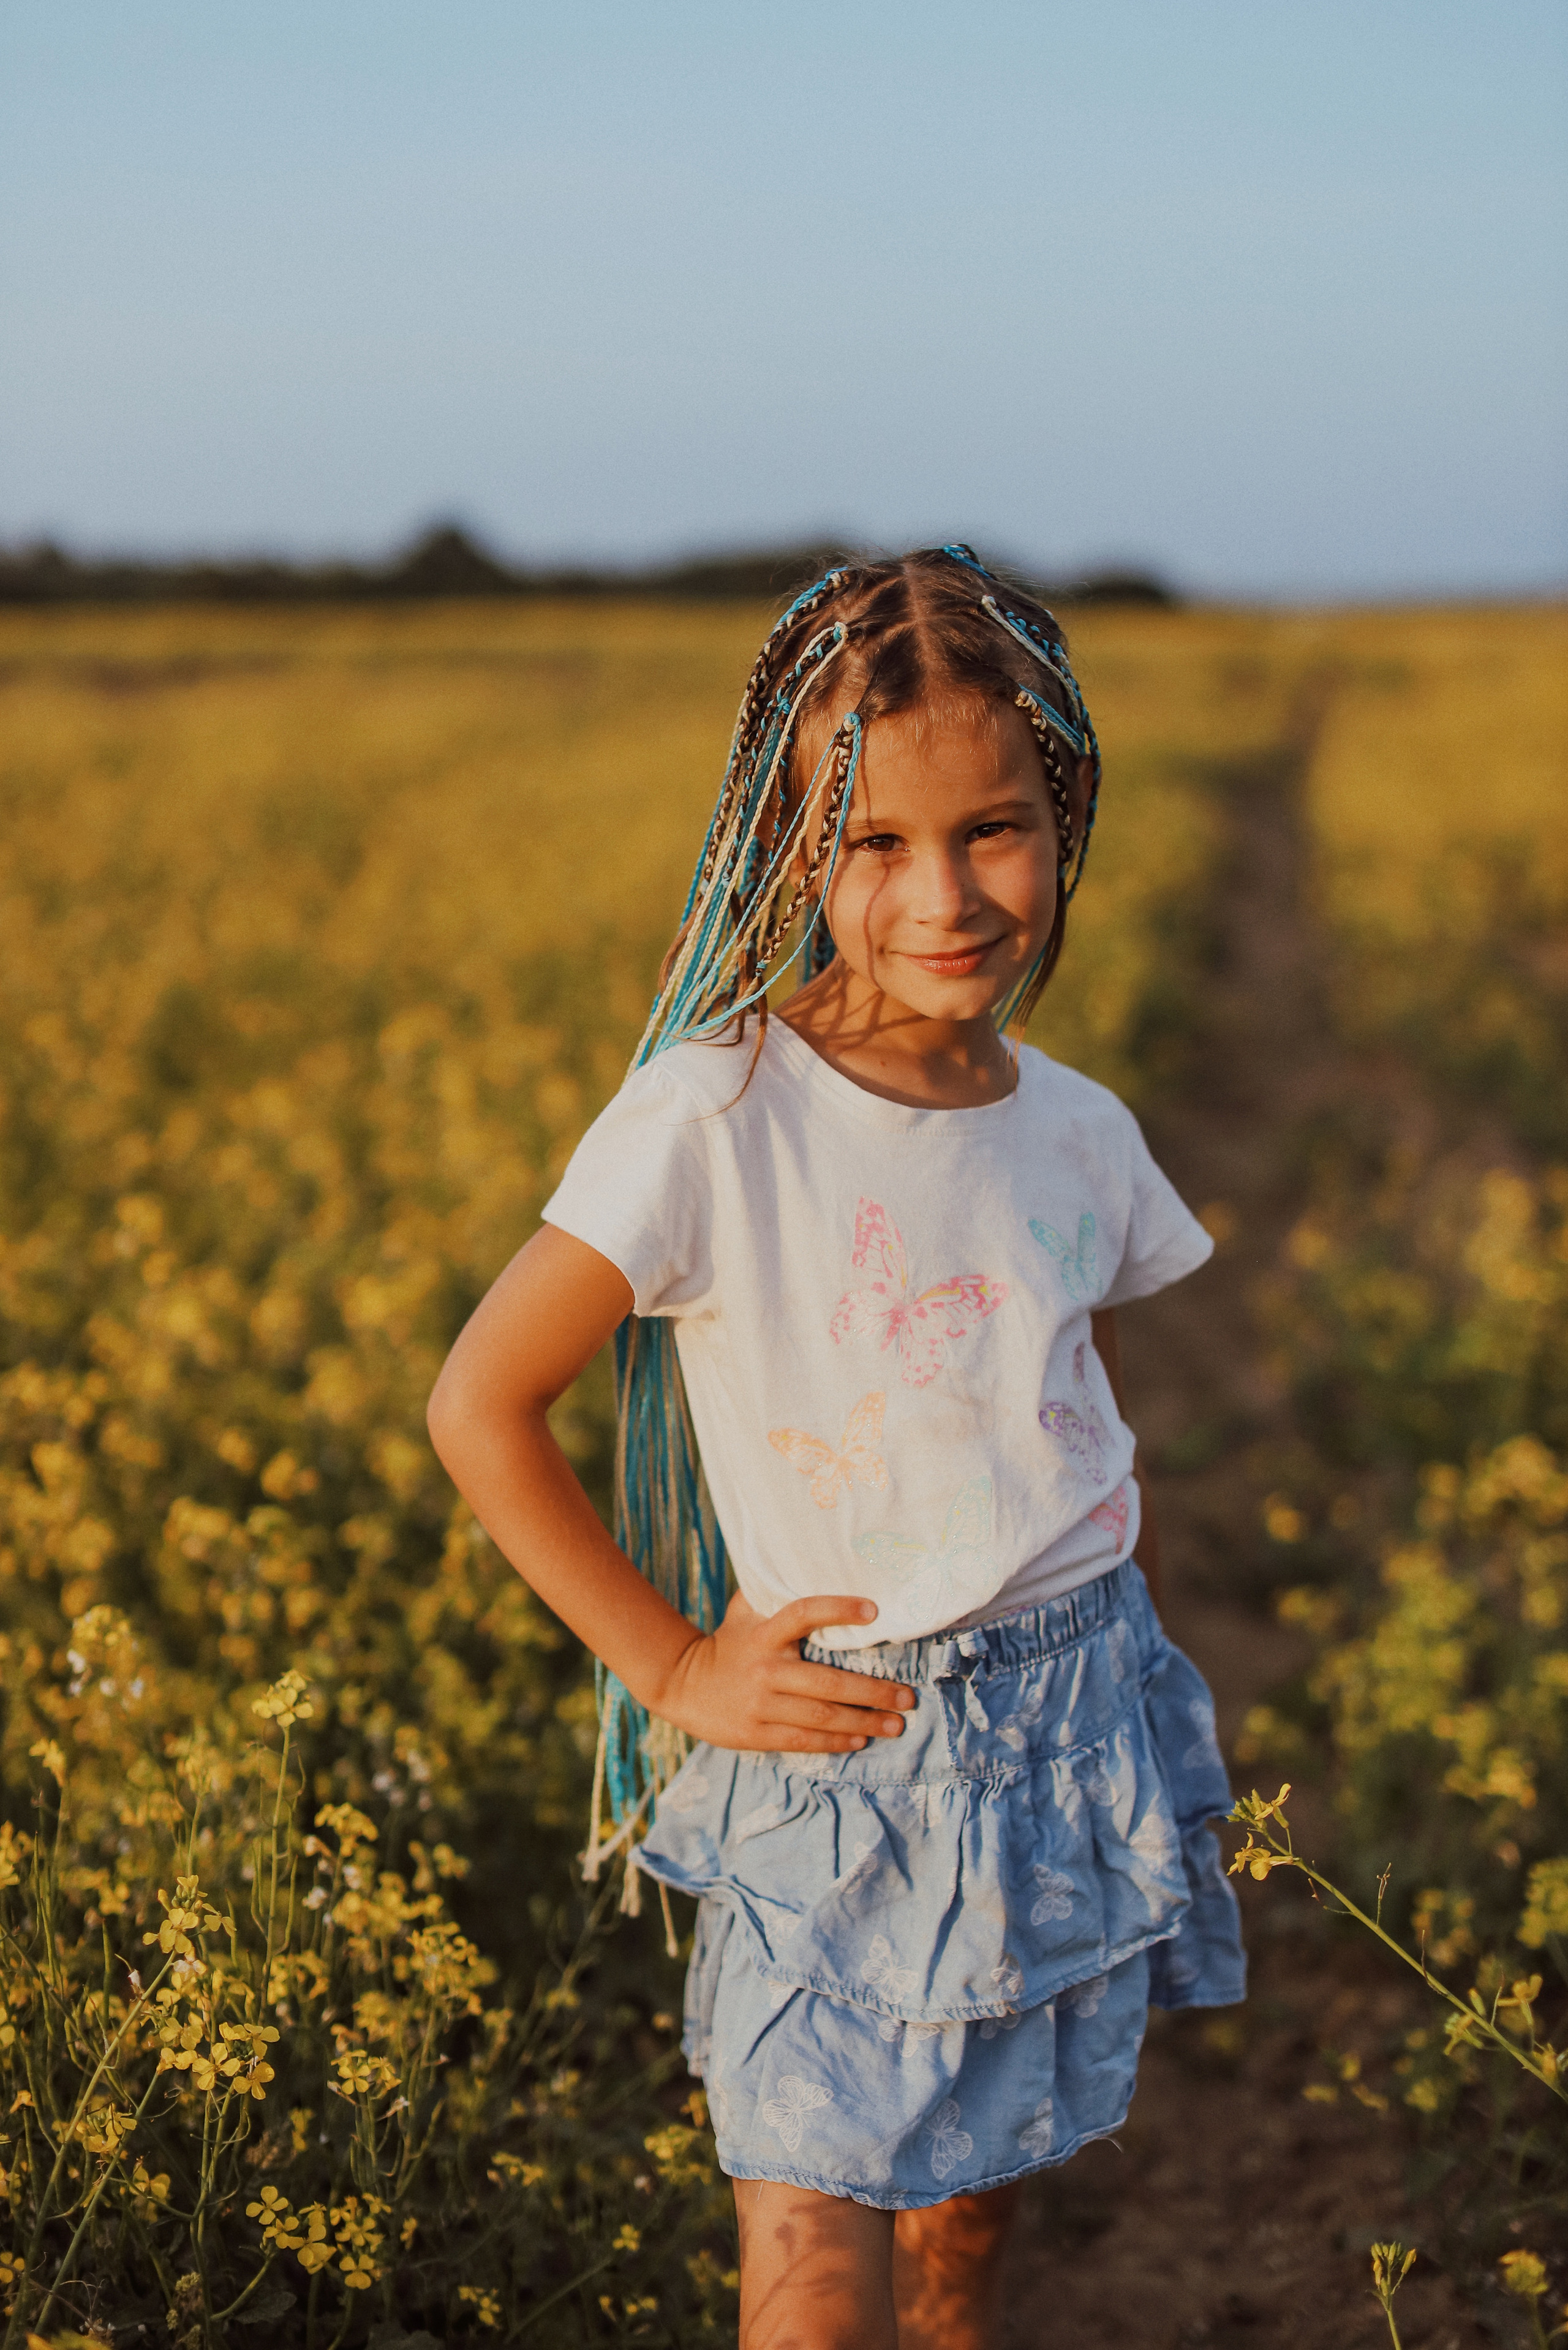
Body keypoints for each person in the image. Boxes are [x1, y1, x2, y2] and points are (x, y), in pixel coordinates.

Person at [428, 548, 1245, 2350]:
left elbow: (1081, 1430)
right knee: (809, 2285)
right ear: (787, 850)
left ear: (1069, 816)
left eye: (996, 830)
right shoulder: (716, 1114)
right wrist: (671, 1667)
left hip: (1067, 1724)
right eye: (874, 843)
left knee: (964, 2232)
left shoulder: (1080, 1129)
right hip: (843, 1756)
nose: (944, 895)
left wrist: (1160, 1692)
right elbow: (480, 1405)